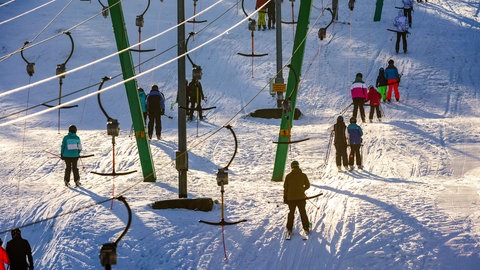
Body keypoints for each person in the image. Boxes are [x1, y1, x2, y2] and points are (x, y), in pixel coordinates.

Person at [283, 160, 310, 238]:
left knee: (291, 213)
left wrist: (285, 198)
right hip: (301, 198)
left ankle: (289, 229)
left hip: (291, 199)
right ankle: (306, 228)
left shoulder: (288, 176)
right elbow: (308, 185)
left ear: (292, 167)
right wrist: (302, 190)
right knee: (303, 213)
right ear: (298, 166)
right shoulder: (303, 175)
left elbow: (285, 188)